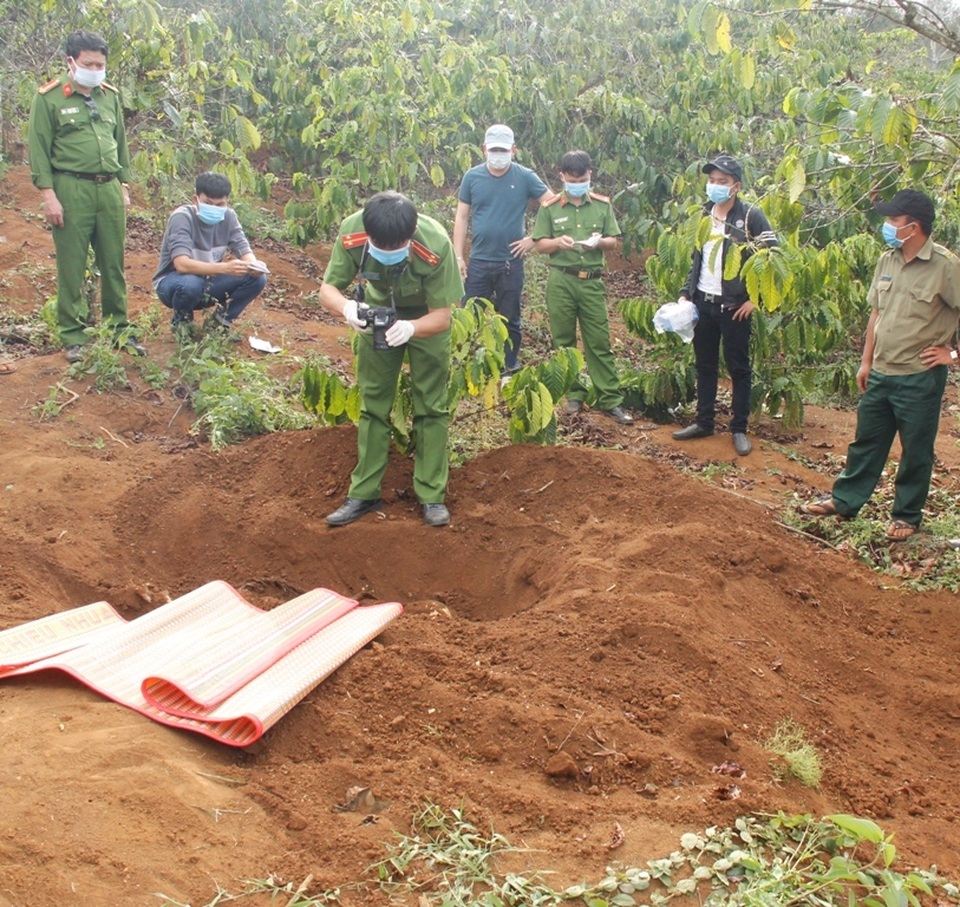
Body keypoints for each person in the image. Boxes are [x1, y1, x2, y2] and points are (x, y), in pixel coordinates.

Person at [802, 189, 960, 541]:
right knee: (867, 441)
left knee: (916, 449)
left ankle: (906, 516)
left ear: (914, 226)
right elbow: (876, 313)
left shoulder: (946, 266)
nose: (887, 226)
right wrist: (865, 361)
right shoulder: (887, 260)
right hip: (882, 371)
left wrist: (952, 355)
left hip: (920, 376)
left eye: (893, 220)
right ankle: (844, 501)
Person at [319, 191, 463, 528]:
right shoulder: (353, 231)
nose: (386, 255)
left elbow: (442, 316)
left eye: (394, 248)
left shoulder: (435, 244)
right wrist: (347, 307)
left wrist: (412, 328)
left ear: (410, 235)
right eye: (379, 248)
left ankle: (431, 496)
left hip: (424, 319)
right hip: (376, 314)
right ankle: (365, 493)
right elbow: (328, 289)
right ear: (368, 235)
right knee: (374, 404)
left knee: (431, 405)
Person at [27, 29, 144, 363]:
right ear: (70, 62)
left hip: (108, 187)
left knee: (113, 263)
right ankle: (73, 335)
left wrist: (123, 185)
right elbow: (39, 150)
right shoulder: (49, 98)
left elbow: (119, 141)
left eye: (100, 64)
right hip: (70, 187)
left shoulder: (109, 95)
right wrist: (49, 195)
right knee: (72, 265)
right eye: (88, 63)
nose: (95, 69)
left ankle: (118, 327)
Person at [671, 154, 778, 456]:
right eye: (712, 181)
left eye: (722, 182)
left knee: (739, 369)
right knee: (704, 365)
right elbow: (698, 258)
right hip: (703, 302)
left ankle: (739, 428)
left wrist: (755, 300)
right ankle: (704, 421)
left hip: (733, 307)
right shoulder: (705, 214)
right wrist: (685, 292)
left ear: (736, 186)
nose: (715, 186)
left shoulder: (751, 217)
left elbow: (773, 257)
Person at [531, 150, 634, 424]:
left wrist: (599, 242)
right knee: (563, 341)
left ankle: (610, 399)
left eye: (583, 177)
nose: (578, 182)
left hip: (591, 281)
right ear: (562, 176)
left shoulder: (602, 206)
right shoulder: (550, 208)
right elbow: (540, 244)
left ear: (590, 173)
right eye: (573, 178)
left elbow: (613, 240)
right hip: (561, 280)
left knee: (598, 342)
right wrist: (558, 242)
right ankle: (573, 395)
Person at [453, 124, 550, 374]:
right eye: (494, 149)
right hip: (479, 261)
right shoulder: (472, 177)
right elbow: (462, 217)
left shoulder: (525, 176)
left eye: (503, 150)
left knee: (510, 317)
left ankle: (509, 365)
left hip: (510, 262)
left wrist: (534, 238)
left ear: (513, 150)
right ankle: (464, 364)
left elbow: (552, 204)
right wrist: (458, 256)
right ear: (484, 148)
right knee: (469, 314)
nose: (498, 154)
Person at [153, 172, 268, 340]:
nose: (214, 208)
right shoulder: (182, 218)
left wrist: (254, 266)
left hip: (207, 284)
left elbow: (244, 250)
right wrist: (224, 268)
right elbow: (182, 265)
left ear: (227, 202)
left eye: (220, 204)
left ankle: (219, 324)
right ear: (196, 200)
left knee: (257, 279)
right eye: (208, 203)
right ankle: (182, 326)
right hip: (173, 284)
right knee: (189, 283)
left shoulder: (229, 217)